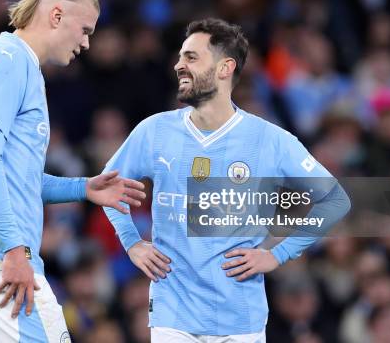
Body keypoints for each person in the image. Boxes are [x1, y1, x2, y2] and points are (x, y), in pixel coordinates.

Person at [103, 18, 351, 342]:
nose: (179, 65)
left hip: (241, 320)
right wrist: (132, 243)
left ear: (225, 68)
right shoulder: (154, 131)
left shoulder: (270, 140)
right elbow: (107, 187)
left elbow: (335, 200)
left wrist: (277, 254)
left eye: (191, 57)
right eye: (180, 56)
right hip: (172, 316)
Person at [0, 0, 146, 342]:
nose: (85, 43)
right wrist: (13, 252)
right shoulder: (7, 60)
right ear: (55, 16)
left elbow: (14, 175)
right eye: (84, 30)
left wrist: (85, 188)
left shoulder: (20, 66)